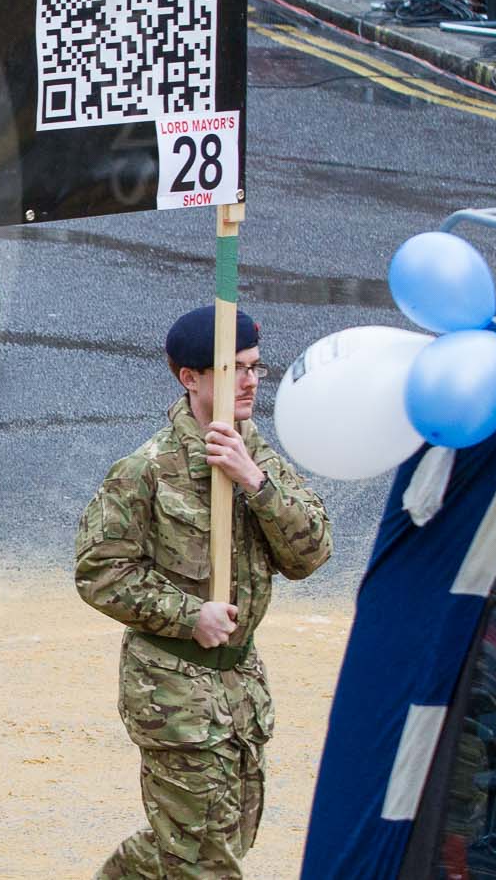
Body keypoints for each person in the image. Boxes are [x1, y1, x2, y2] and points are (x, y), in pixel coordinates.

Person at [75, 307, 330, 880]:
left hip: (239, 689)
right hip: (174, 693)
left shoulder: (257, 457)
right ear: (190, 378)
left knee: (217, 837)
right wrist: (190, 615)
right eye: (231, 369)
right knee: (206, 862)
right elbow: (100, 570)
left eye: (254, 367)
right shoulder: (146, 470)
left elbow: (310, 554)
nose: (249, 381)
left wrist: (255, 484)